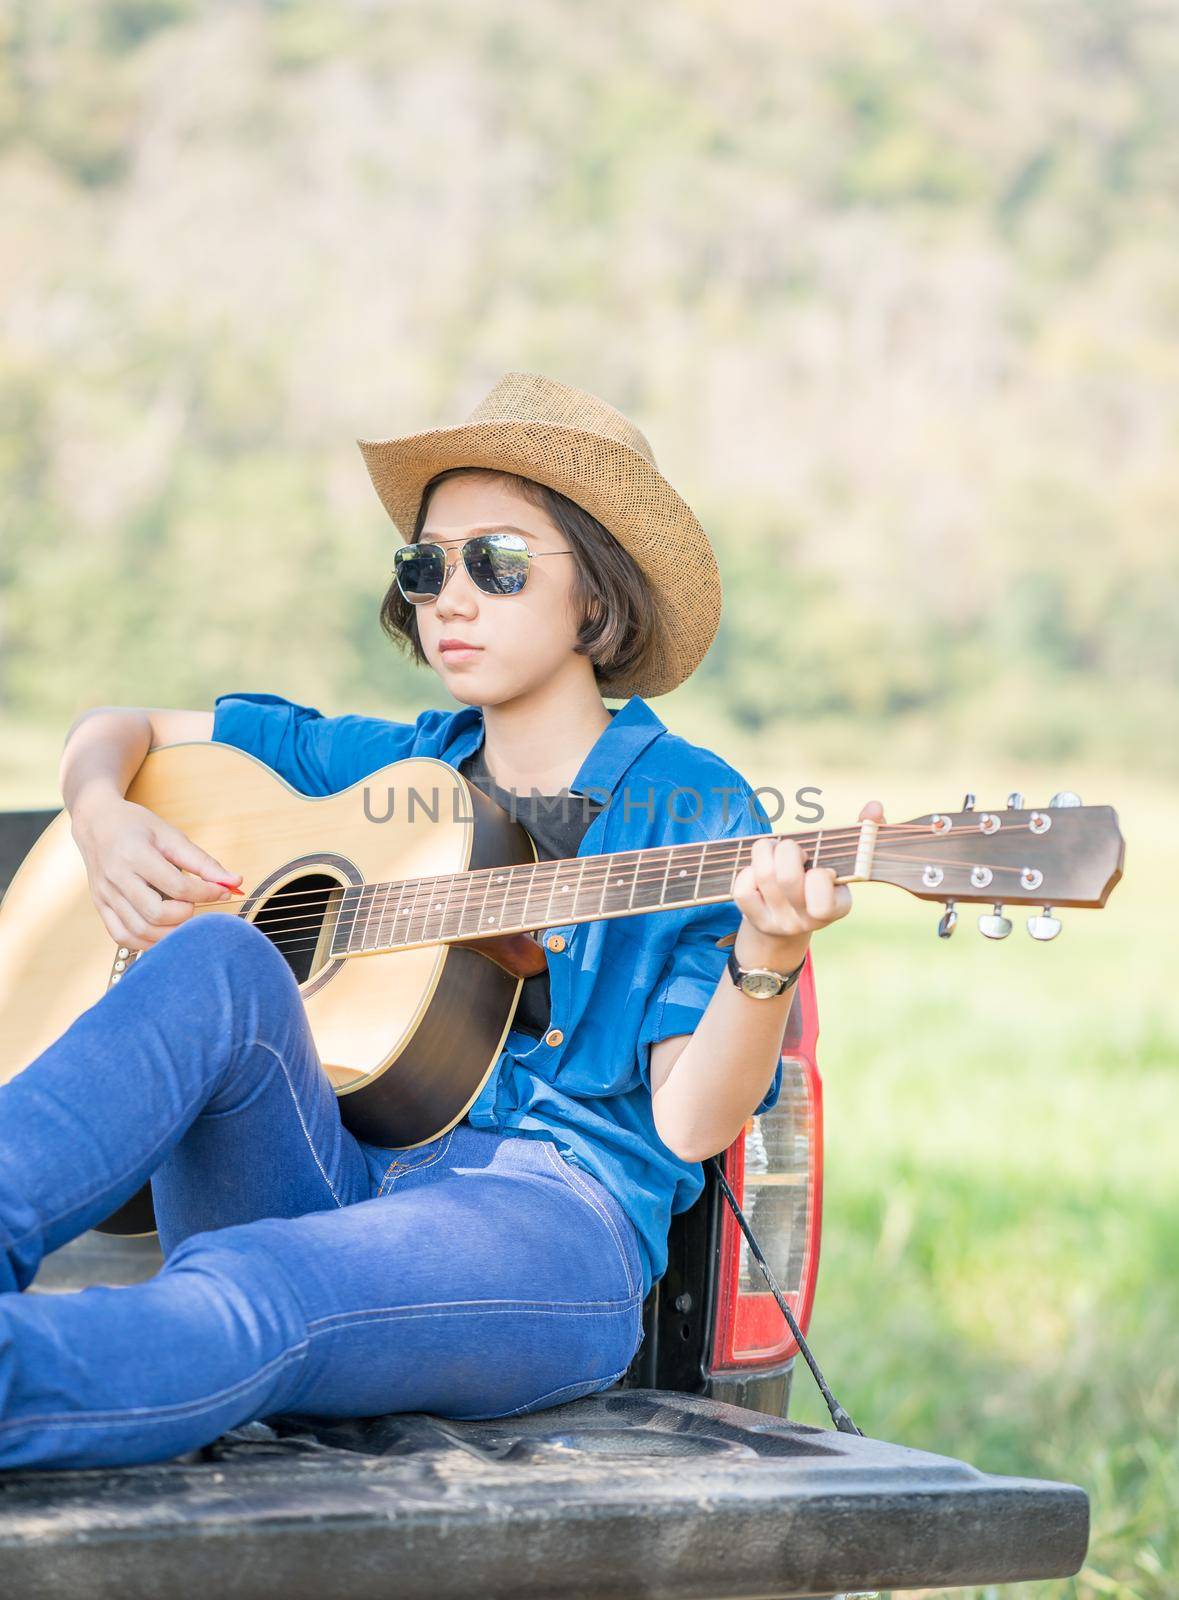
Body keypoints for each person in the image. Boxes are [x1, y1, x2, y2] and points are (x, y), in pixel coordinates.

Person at [0, 372, 882, 1470]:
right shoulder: (400, 770)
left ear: (594, 597)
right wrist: (100, 816)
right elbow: (119, 725)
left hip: (552, 1218)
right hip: (346, 1172)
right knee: (223, 950)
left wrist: (770, 956)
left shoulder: (692, 808)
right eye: (426, 565)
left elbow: (694, 1125)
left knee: (260, 1286)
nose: (449, 597)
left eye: (498, 564)